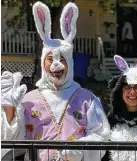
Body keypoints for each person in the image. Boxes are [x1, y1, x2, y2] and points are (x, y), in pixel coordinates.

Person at [1, 2, 110, 161]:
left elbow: (101, 135)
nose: (56, 64)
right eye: (50, 59)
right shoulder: (27, 100)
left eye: (62, 60)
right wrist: (9, 108)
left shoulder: (88, 99)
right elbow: (12, 140)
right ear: (43, 62)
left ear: (70, 64)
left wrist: (78, 150)